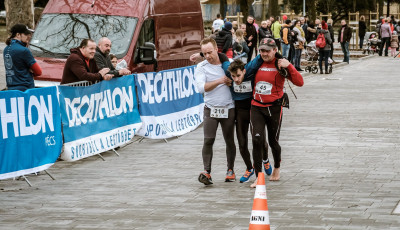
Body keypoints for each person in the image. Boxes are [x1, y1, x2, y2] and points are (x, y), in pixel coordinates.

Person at [244, 38, 304, 187]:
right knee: (257, 140)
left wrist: (289, 66)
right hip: (256, 106)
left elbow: (300, 82)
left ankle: (277, 166)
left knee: (273, 141)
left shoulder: (280, 64)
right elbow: (241, 73)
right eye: (261, 50)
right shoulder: (257, 64)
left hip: (274, 108)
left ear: (275, 50)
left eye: (267, 50)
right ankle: (259, 176)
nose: (264, 53)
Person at [194, 38, 237, 185]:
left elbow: (239, 79)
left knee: (229, 140)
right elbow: (201, 88)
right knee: (208, 140)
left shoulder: (228, 64)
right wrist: (220, 81)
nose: (207, 56)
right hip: (210, 108)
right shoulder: (201, 66)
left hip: (228, 108)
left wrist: (233, 81)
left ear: (216, 50)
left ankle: (230, 170)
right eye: (204, 53)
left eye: (210, 52)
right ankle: (207, 171)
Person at [4, 24, 42, 91]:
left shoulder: (6, 49)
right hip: (25, 89)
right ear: (18, 35)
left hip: (10, 88)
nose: (28, 36)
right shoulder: (24, 50)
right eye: (26, 34)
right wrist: (31, 71)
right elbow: (38, 72)